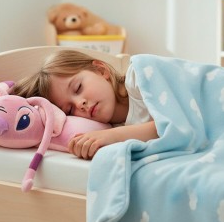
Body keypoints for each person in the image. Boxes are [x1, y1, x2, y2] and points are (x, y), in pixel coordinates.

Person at [12, 50, 159, 160]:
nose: (79, 104)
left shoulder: (140, 76)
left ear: (101, 70)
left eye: (78, 88)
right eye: (70, 109)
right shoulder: (107, 130)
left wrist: (111, 136)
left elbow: (168, 125)